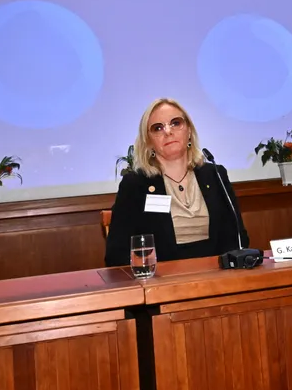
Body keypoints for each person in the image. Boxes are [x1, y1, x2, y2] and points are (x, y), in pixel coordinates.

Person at [104, 98, 249, 267]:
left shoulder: (215, 175)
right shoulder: (136, 184)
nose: (168, 131)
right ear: (149, 141)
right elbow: (117, 253)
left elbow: (238, 236)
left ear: (189, 131)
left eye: (175, 123)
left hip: (217, 276)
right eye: (158, 128)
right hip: (162, 282)